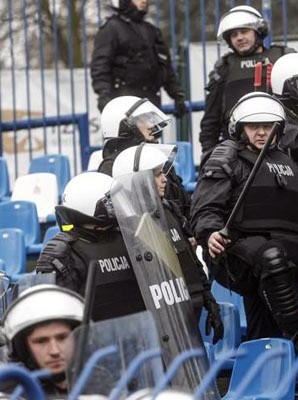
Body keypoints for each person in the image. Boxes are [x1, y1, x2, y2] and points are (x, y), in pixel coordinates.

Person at [190, 92, 298, 351]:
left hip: (287, 259)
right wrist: (210, 233)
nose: (261, 132)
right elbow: (206, 206)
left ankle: (278, 381)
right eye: (253, 126)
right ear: (240, 129)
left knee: (265, 329)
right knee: (272, 257)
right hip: (238, 253)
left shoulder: (287, 161)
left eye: (267, 126)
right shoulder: (228, 156)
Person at [111, 143, 223, 337]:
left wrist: (207, 298)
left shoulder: (169, 211)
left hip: (188, 314)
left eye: (162, 173)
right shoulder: (124, 226)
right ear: (134, 180)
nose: (164, 180)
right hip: (158, 329)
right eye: (156, 175)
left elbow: (190, 260)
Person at [35, 172, 147, 321]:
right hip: (93, 340)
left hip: (140, 333)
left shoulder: (128, 237)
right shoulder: (63, 252)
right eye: (110, 202)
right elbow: (55, 315)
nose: (118, 205)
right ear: (88, 204)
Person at [199, 5, 295, 159]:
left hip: (283, 147)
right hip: (237, 153)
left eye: (244, 31)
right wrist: (209, 154)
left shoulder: (283, 57)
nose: (239, 38)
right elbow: (211, 119)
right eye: (233, 35)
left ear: (258, 31)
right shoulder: (223, 68)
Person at [97, 95, 190, 217]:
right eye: (142, 119)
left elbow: (186, 205)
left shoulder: (159, 158)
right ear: (125, 126)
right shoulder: (112, 166)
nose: (150, 124)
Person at [90, 0, 186, 117]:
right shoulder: (111, 28)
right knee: (128, 135)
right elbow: (100, 65)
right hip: (123, 99)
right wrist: (103, 94)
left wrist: (177, 93)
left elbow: (165, 65)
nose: (144, 0)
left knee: (149, 135)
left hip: (151, 99)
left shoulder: (152, 30)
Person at [1, 284, 83, 397]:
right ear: (23, 349)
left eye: (62, 338)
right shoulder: (13, 392)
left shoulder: (97, 377)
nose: (55, 351)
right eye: (41, 341)